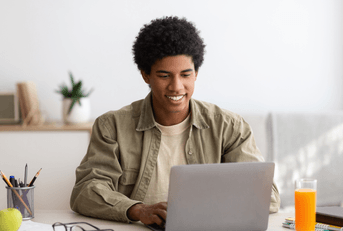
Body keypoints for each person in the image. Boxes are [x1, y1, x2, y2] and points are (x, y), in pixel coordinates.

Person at [70, 16, 280, 227]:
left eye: (185, 74)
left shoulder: (229, 127)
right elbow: (85, 191)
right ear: (146, 75)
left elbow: (268, 197)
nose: (176, 87)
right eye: (164, 76)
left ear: (196, 73)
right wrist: (139, 210)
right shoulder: (111, 127)